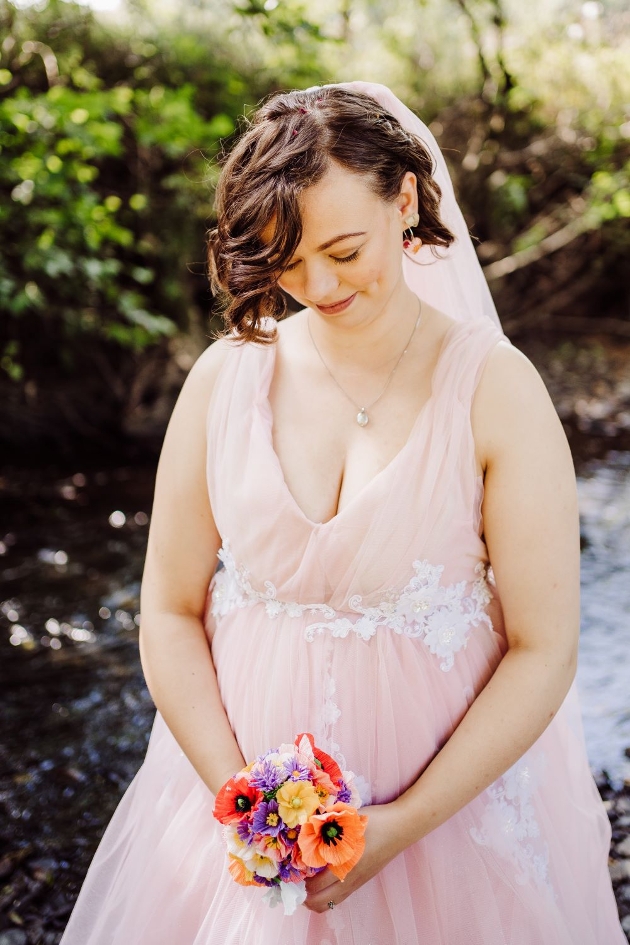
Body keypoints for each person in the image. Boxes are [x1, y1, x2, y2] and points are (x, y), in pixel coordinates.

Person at [59, 81, 626, 944]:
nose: (316, 284)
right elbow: (170, 609)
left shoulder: (496, 389)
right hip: (234, 820)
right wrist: (242, 803)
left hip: (444, 831)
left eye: (344, 248)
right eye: (285, 258)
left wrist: (400, 823)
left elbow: (544, 648)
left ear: (405, 200)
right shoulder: (224, 380)